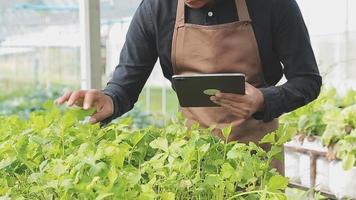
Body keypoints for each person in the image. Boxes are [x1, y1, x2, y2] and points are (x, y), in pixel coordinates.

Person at [56, 0, 321, 171]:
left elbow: (307, 80)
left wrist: (264, 100)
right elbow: (124, 86)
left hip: (259, 156)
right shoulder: (157, 9)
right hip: (192, 159)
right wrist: (109, 100)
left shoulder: (273, 5)